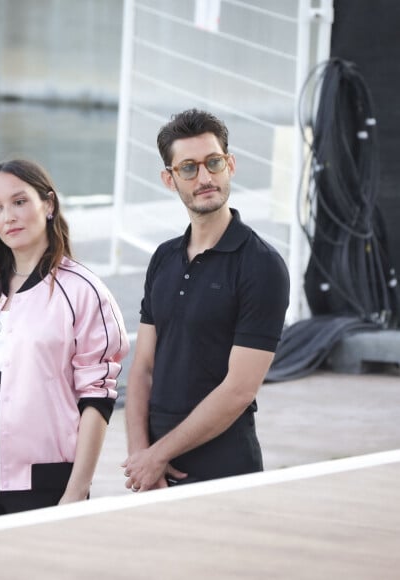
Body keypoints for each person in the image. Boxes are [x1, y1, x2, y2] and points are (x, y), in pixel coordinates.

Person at [0, 158, 129, 524]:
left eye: (20, 202)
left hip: (43, 481)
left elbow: (97, 399)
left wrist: (76, 491)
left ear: (48, 204)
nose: (8, 217)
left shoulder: (83, 290)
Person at [122, 109, 290, 492]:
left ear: (230, 165)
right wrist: (140, 455)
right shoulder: (164, 257)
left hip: (225, 469)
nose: (205, 177)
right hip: (154, 471)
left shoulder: (261, 266)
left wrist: (158, 454)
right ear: (169, 179)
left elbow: (240, 388)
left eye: (213, 163)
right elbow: (143, 367)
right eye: (188, 168)